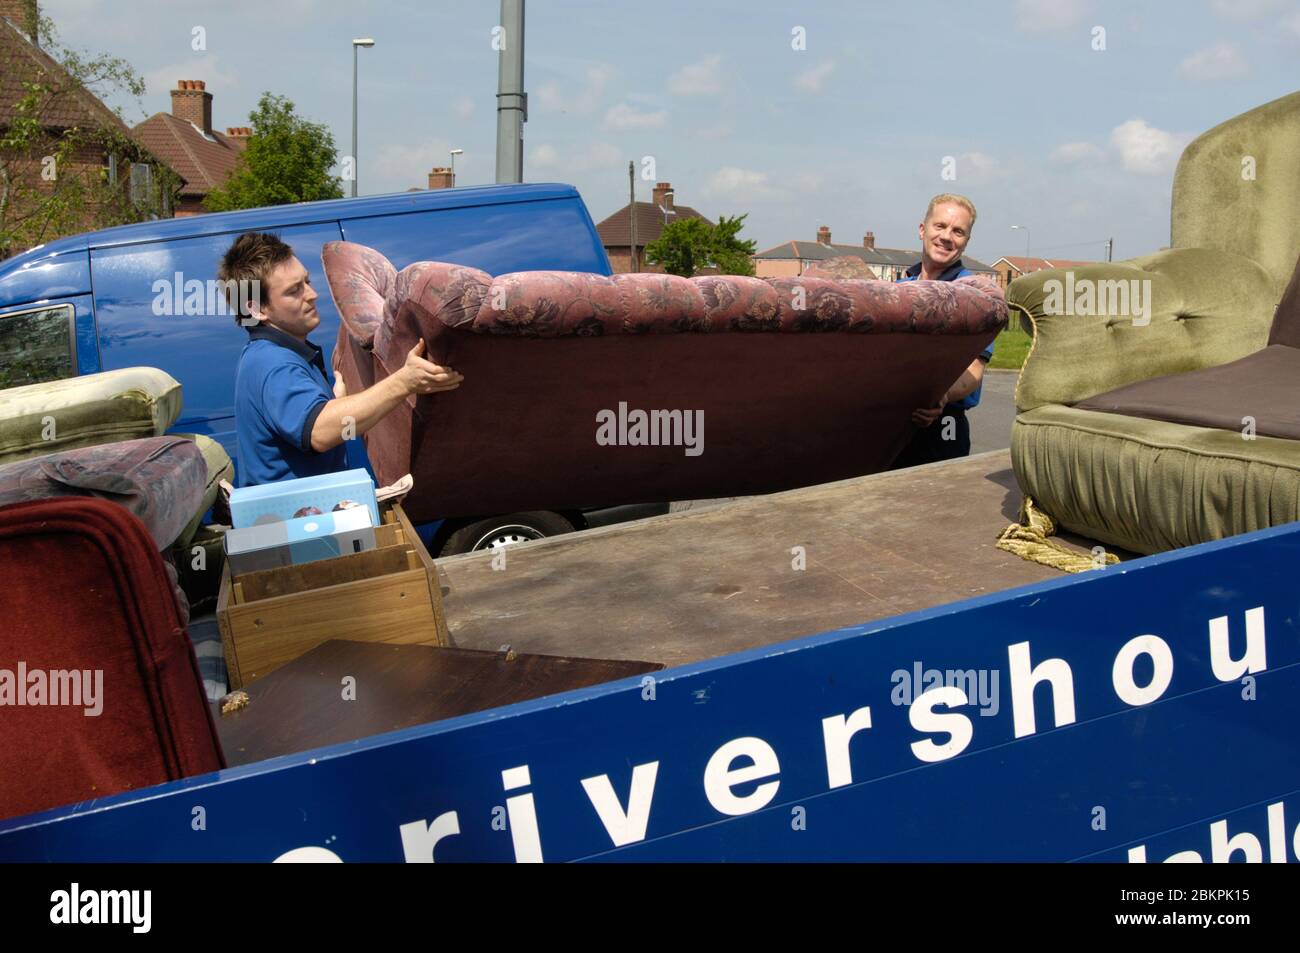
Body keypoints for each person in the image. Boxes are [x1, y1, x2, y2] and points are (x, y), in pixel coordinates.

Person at [218, 231, 463, 487]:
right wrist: (405, 381)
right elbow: (320, 433)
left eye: (307, 282)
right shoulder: (272, 363)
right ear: (257, 309)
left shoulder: (271, 354)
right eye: (294, 291)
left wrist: (337, 404)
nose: (312, 295)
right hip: (295, 524)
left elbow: (325, 428)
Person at [891, 193, 993, 468]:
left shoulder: (975, 296)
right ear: (922, 230)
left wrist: (943, 395)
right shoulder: (896, 291)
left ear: (966, 241)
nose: (947, 236)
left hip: (942, 428)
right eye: (940, 226)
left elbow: (974, 370)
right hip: (888, 425)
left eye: (958, 231)